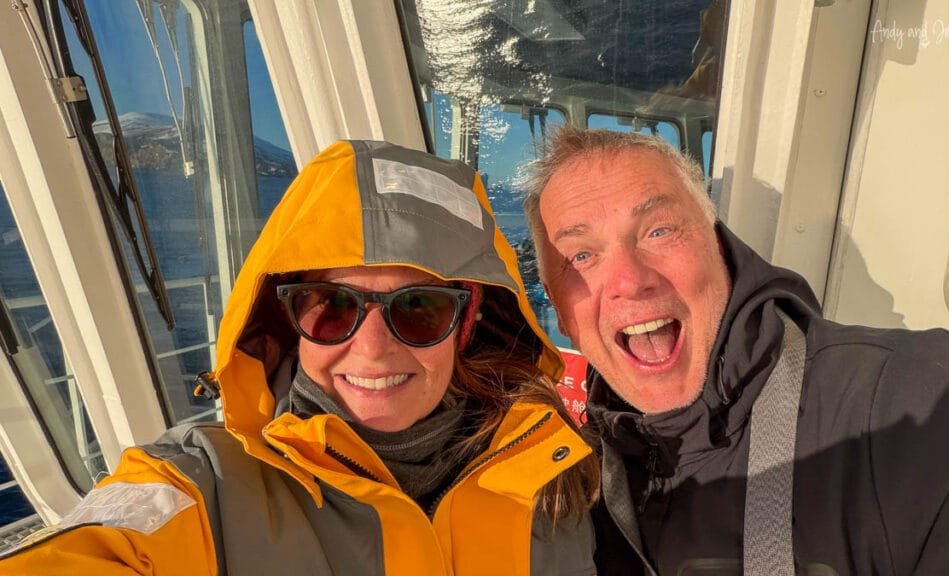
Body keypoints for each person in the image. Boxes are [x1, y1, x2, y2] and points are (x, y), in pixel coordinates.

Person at [0, 140, 599, 575]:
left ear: (467, 324)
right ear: (287, 317)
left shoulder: (558, 472)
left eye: (419, 309)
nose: (370, 347)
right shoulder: (203, 487)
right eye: (330, 306)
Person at [523, 126, 949, 575]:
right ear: (560, 310)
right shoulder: (561, 475)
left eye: (659, 231)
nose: (630, 282)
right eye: (581, 256)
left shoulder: (913, 403)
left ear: (719, 245)